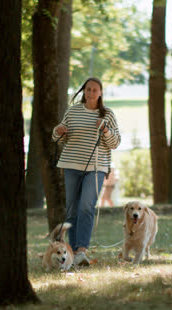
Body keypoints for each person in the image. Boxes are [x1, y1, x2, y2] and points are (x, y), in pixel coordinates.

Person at [52, 77, 121, 266]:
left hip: (96, 167)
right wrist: (58, 131)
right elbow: (59, 138)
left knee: (86, 206)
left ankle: (81, 250)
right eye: (88, 89)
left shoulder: (107, 114)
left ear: (100, 93)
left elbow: (115, 143)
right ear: (83, 91)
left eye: (95, 90)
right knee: (72, 208)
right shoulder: (73, 111)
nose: (91, 93)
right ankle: (72, 252)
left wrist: (105, 130)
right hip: (71, 164)